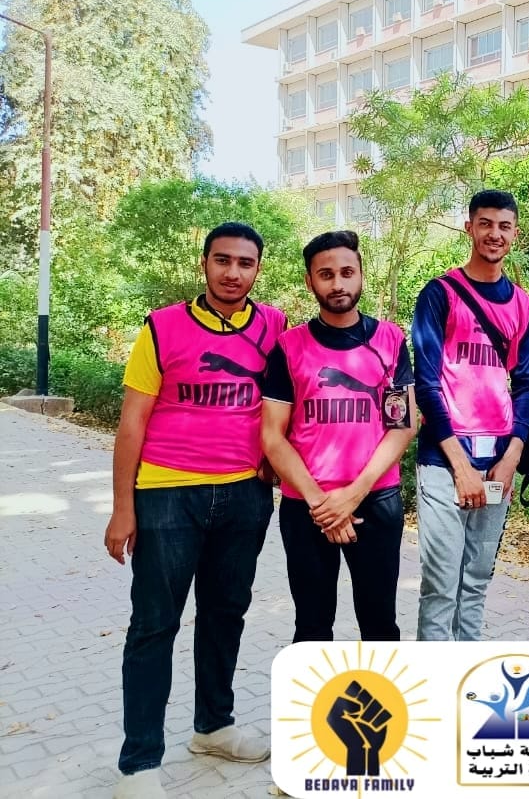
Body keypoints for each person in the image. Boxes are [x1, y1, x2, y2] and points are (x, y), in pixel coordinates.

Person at [104, 222, 286, 799]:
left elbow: (288, 403)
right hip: (167, 495)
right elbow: (132, 421)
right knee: (154, 624)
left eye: (245, 263)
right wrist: (122, 507)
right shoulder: (162, 327)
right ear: (204, 263)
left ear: (258, 269)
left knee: (225, 614)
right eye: (222, 260)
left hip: (244, 496)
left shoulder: (275, 326)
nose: (233, 273)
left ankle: (213, 727)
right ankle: (138, 764)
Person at [261, 231, 416, 642]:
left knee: (380, 625)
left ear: (361, 274)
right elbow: (273, 436)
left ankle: (381, 690)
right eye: (326, 274)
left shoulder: (390, 340)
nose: (338, 283)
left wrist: (353, 495)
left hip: (376, 501)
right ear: (310, 281)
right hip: (306, 507)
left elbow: (402, 424)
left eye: (347, 272)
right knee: (311, 628)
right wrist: (321, 504)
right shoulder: (288, 347)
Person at [412, 189, 529, 641]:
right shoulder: (439, 294)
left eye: (504, 226)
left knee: (476, 583)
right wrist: (461, 467)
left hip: (498, 459)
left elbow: (528, 383)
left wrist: (511, 458)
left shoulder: (522, 304)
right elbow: (426, 385)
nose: (494, 234)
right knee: (441, 587)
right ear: (469, 228)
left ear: (515, 233)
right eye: (485, 224)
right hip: (444, 460)